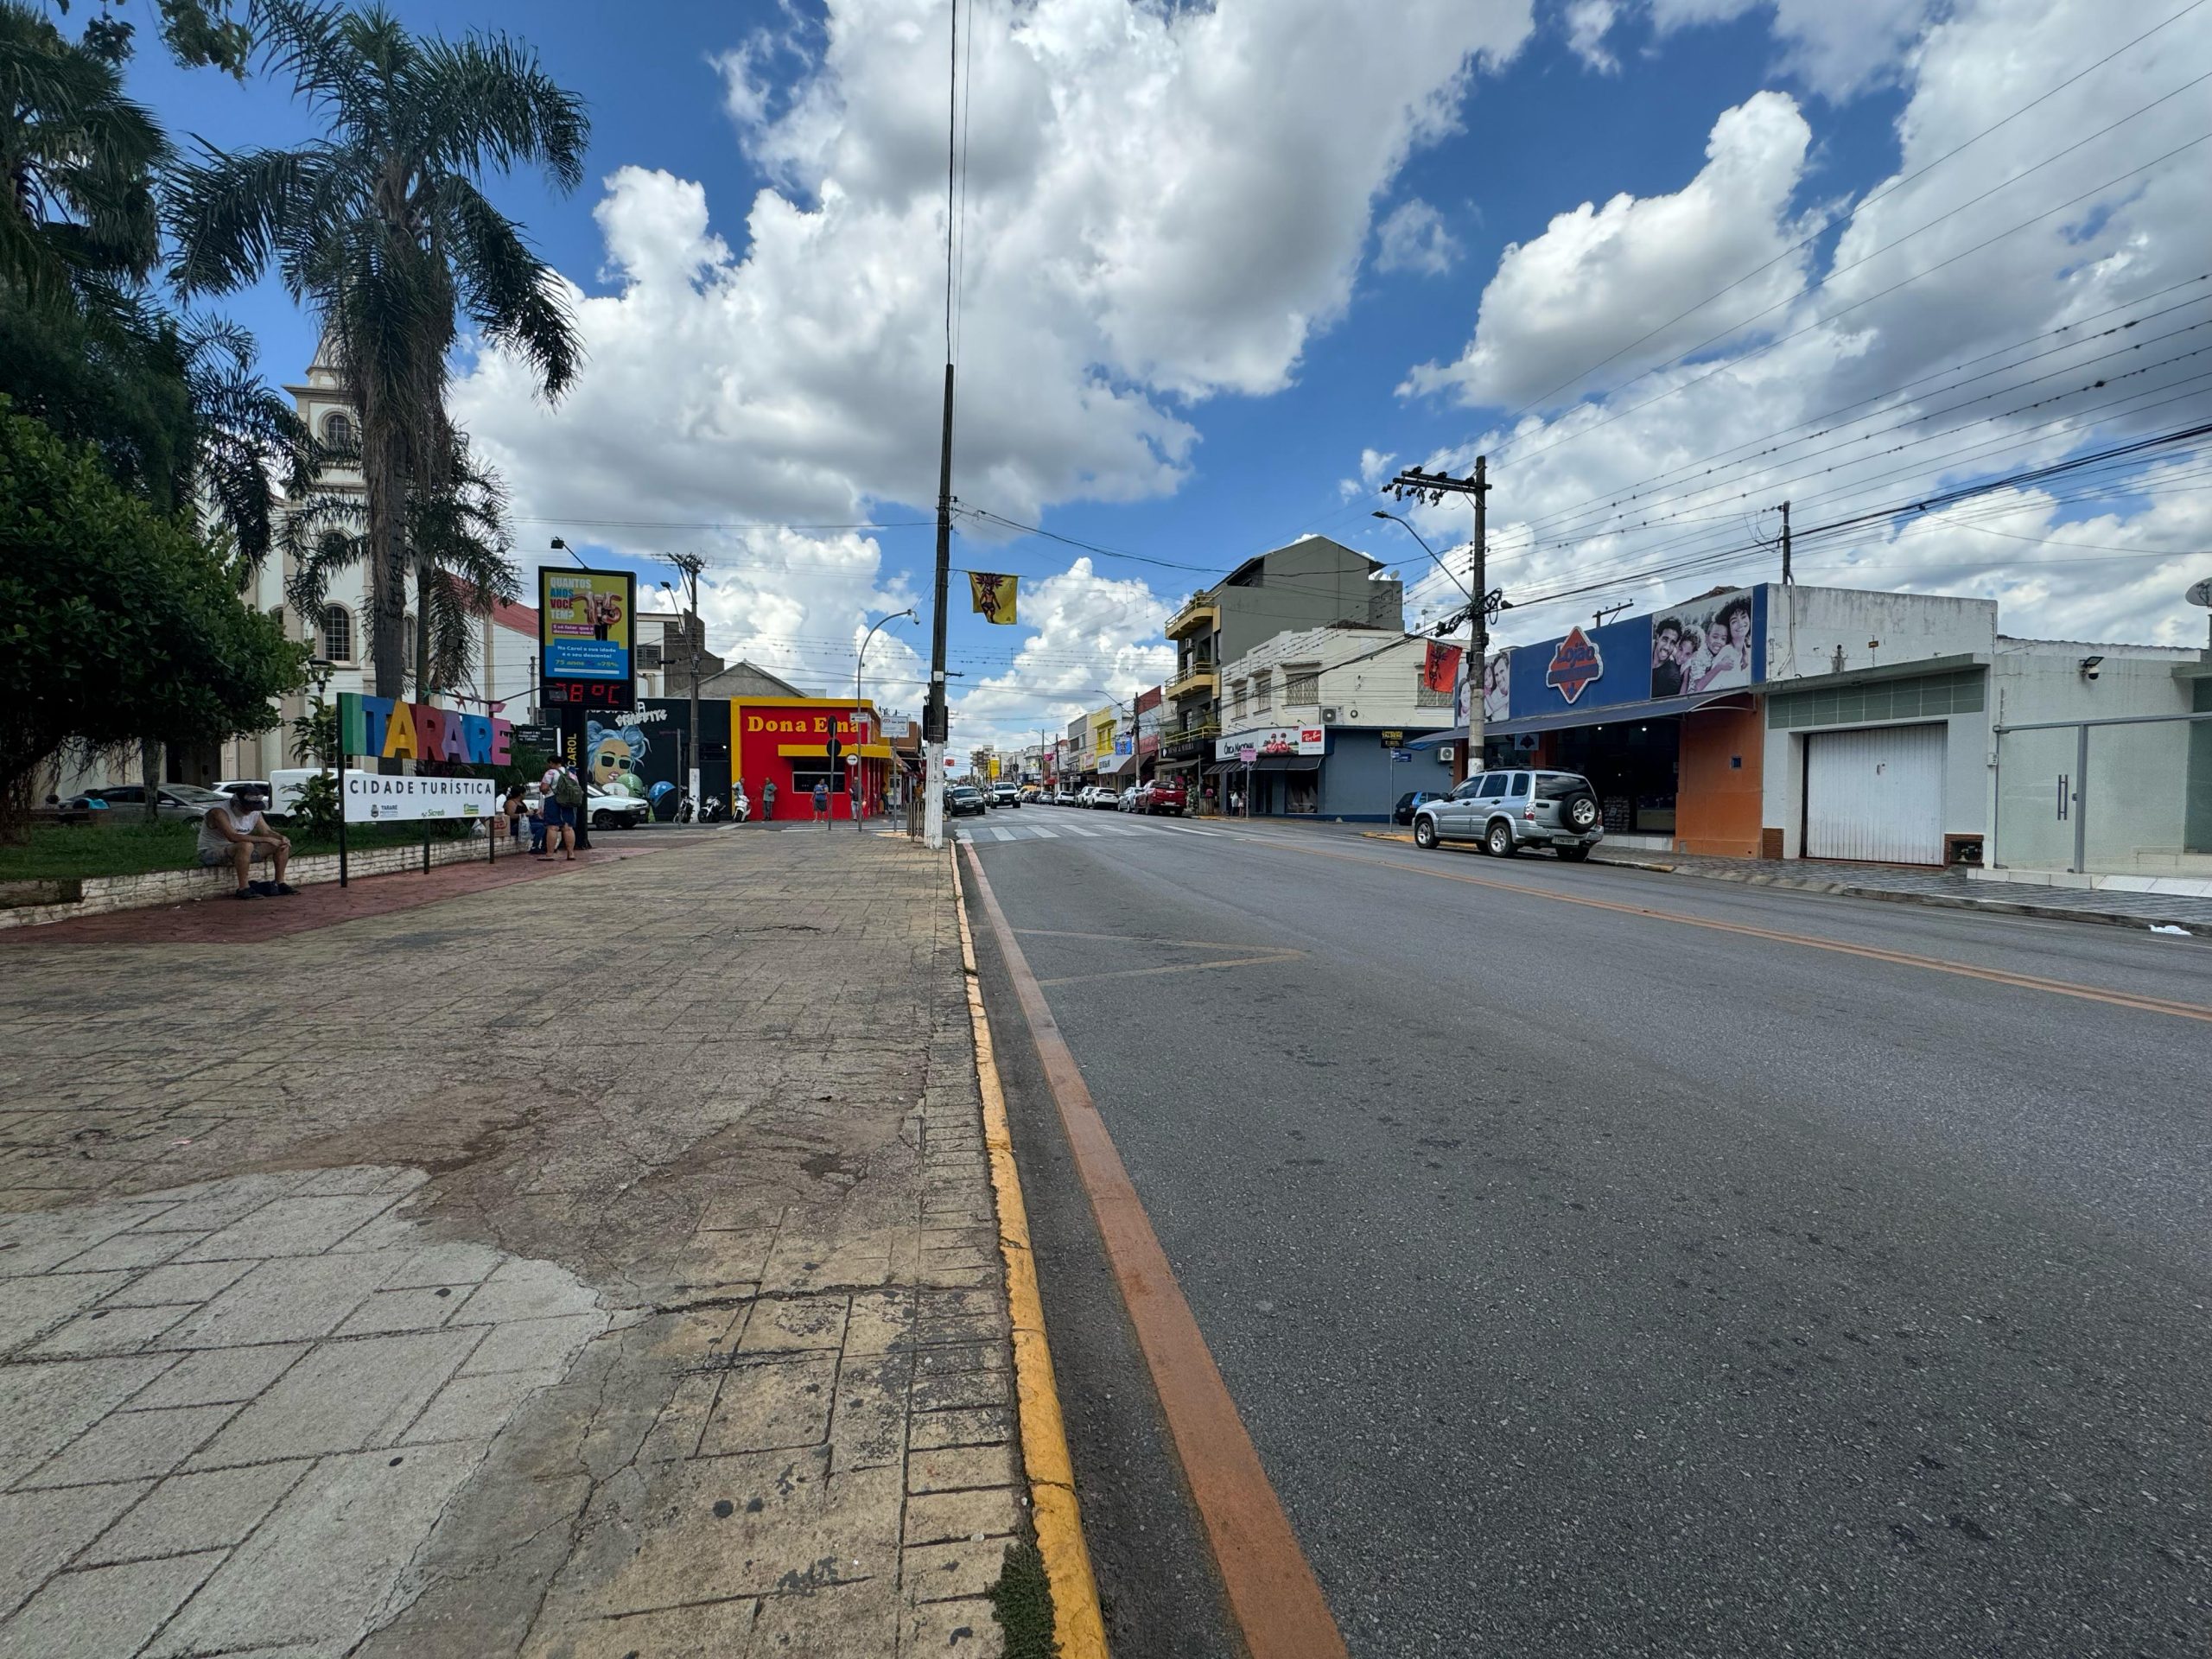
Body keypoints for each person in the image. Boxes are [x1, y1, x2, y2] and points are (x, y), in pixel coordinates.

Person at [198, 788, 296, 899]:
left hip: (242, 852)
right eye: (247, 808)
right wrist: (267, 839)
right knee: (246, 845)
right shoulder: (218, 812)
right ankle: (243, 888)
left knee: (280, 845)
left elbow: (266, 831)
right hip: (212, 852)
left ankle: (280, 883)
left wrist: (280, 837)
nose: (249, 811)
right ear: (236, 802)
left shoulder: (255, 813)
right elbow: (233, 837)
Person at [539, 760, 579, 861]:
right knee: (568, 827)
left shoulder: (550, 772)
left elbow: (544, 788)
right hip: (569, 802)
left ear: (552, 763)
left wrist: (544, 790)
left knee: (553, 827)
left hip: (553, 800)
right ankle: (571, 854)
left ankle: (550, 854)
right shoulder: (571, 773)